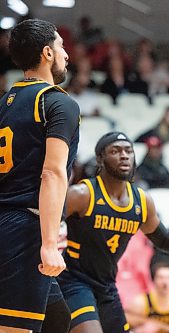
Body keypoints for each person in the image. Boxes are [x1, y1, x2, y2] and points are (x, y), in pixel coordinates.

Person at [58, 131, 169, 333]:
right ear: (101, 158)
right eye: (115, 151)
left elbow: (165, 241)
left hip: (106, 284)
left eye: (129, 151)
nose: (124, 155)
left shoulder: (142, 202)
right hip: (74, 280)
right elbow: (44, 221)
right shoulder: (82, 194)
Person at [0, 19, 79, 333]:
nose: (66, 54)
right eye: (61, 46)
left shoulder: (3, 104)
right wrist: (49, 243)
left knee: (58, 322)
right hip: (26, 230)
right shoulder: (58, 102)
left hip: (7, 223)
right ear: (47, 52)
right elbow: (52, 172)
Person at [125, 263, 169, 333]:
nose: (165, 282)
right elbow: (124, 319)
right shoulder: (141, 301)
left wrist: (160, 326)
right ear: (153, 280)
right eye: (160, 277)